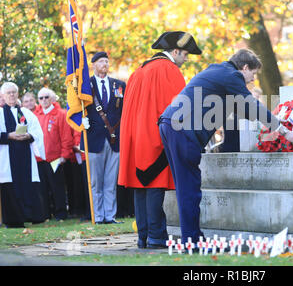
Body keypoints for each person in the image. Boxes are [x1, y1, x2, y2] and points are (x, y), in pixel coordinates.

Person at [158, 49, 293, 244]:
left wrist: (270, 122)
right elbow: (251, 104)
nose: (252, 80)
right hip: (183, 129)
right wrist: (284, 130)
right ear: (244, 68)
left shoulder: (219, 72)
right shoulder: (232, 75)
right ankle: (191, 241)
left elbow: (242, 109)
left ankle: (192, 238)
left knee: (185, 187)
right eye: (253, 74)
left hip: (170, 124)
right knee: (189, 189)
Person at [118, 31, 202, 249]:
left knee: (140, 185)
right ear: (175, 51)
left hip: (135, 137)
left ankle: (143, 236)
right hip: (156, 136)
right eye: (185, 55)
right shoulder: (168, 69)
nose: (186, 60)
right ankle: (156, 236)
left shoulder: (138, 71)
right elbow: (179, 107)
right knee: (154, 183)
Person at [81, 51, 126, 224]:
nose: (105, 64)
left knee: (110, 181)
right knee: (95, 181)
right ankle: (97, 216)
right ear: (93, 65)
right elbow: (77, 107)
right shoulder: (85, 85)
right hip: (93, 138)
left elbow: (124, 110)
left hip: (115, 139)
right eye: (101, 61)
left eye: (107, 61)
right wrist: (80, 121)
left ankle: (110, 215)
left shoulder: (119, 85)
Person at [0, 82, 46, 227]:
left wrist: (28, 135)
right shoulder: (0, 114)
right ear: (3, 96)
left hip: (25, 155)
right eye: (8, 93)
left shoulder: (26, 113)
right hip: (7, 157)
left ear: (17, 94)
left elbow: (38, 132)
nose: (12, 95)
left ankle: (32, 216)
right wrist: (9, 136)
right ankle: (13, 221)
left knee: (29, 185)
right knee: (10, 186)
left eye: (14, 92)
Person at [34, 87, 72, 221]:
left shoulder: (61, 114)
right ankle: (45, 214)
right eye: (41, 98)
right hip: (40, 159)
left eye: (46, 97)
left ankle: (60, 213)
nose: (44, 100)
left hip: (55, 158)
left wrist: (64, 155)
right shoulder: (36, 116)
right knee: (42, 188)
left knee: (57, 188)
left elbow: (66, 137)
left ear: (52, 98)